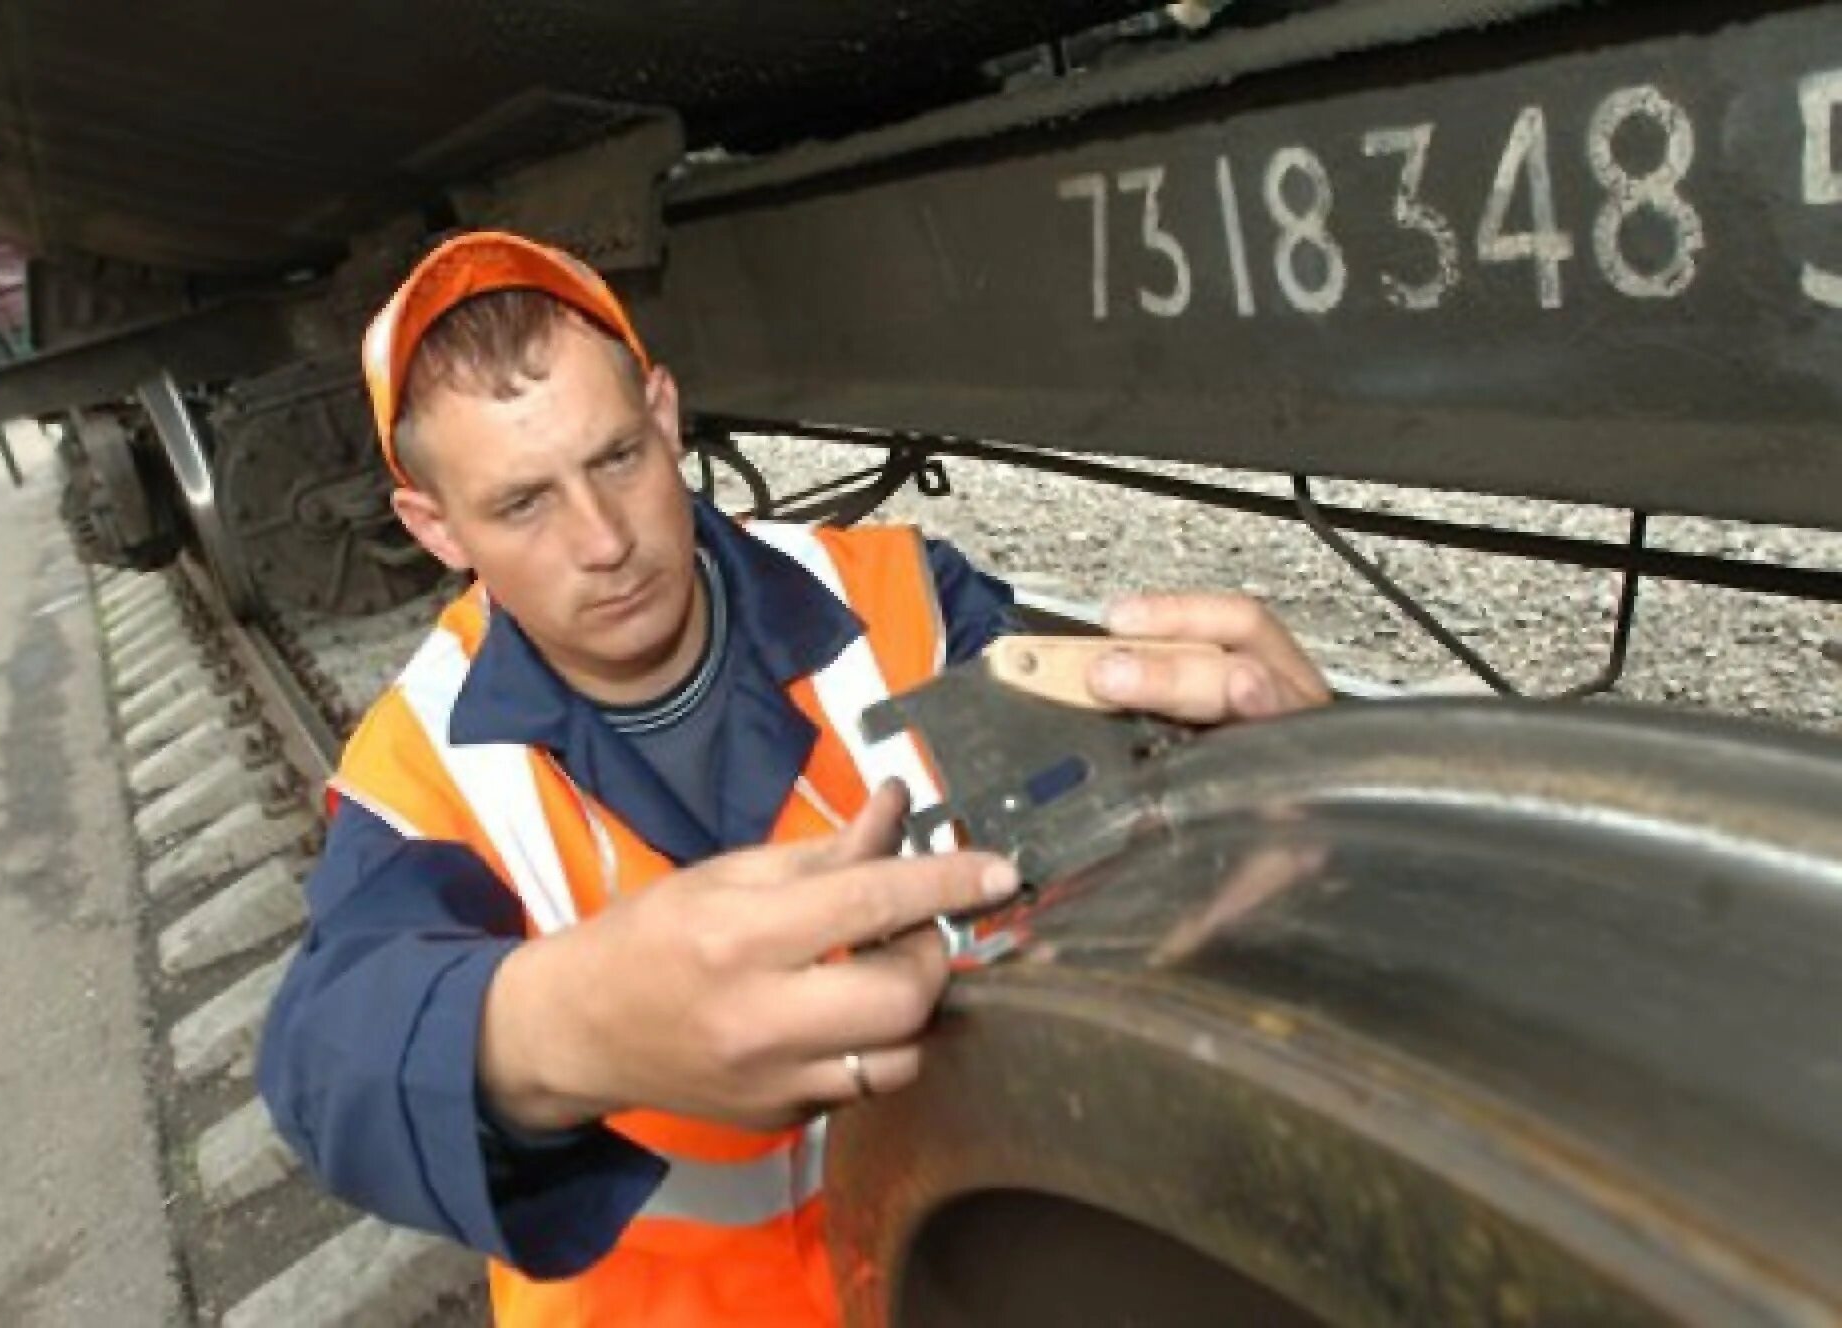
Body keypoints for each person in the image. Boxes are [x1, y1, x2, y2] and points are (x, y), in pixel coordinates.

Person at [257, 231, 1331, 1327]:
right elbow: (324, 1055)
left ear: (666, 414)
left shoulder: (908, 600)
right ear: (433, 527)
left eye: (619, 457)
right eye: (522, 504)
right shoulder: (423, 762)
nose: (602, 541)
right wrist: (557, 1025)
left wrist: (1277, 791)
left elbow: (1117, 839)